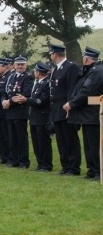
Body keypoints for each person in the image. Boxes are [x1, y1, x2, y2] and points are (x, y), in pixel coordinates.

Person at [64, 46, 103, 180]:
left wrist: (72, 103)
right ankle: (92, 169)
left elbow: (87, 91)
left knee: (95, 144)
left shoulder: (96, 72)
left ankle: (98, 170)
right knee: (88, 144)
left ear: (86, 58)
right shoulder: (89, 71)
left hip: (93, 113)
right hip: (87, 114)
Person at [48, 43, 82, 175]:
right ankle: (66, 165)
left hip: (66, 108)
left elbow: (72, 88)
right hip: (56, 109)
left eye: (51, 54)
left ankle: (74, 167)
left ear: (55, 54)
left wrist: (70, 106)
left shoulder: (71, 67)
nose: (51, 56)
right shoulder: (56, 69)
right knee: (61, 140)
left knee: (70, 139)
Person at [21, 62, 52, 171]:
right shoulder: (38, 83)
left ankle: (46, 164)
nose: (34, 73)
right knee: (36, 142)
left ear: (39, 72)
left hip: (42, 117)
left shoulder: (46, 84)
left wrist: (26, 100)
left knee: (43, 142)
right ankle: (40, 163)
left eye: (35, 71)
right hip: (34, 117)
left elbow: (41, 100)